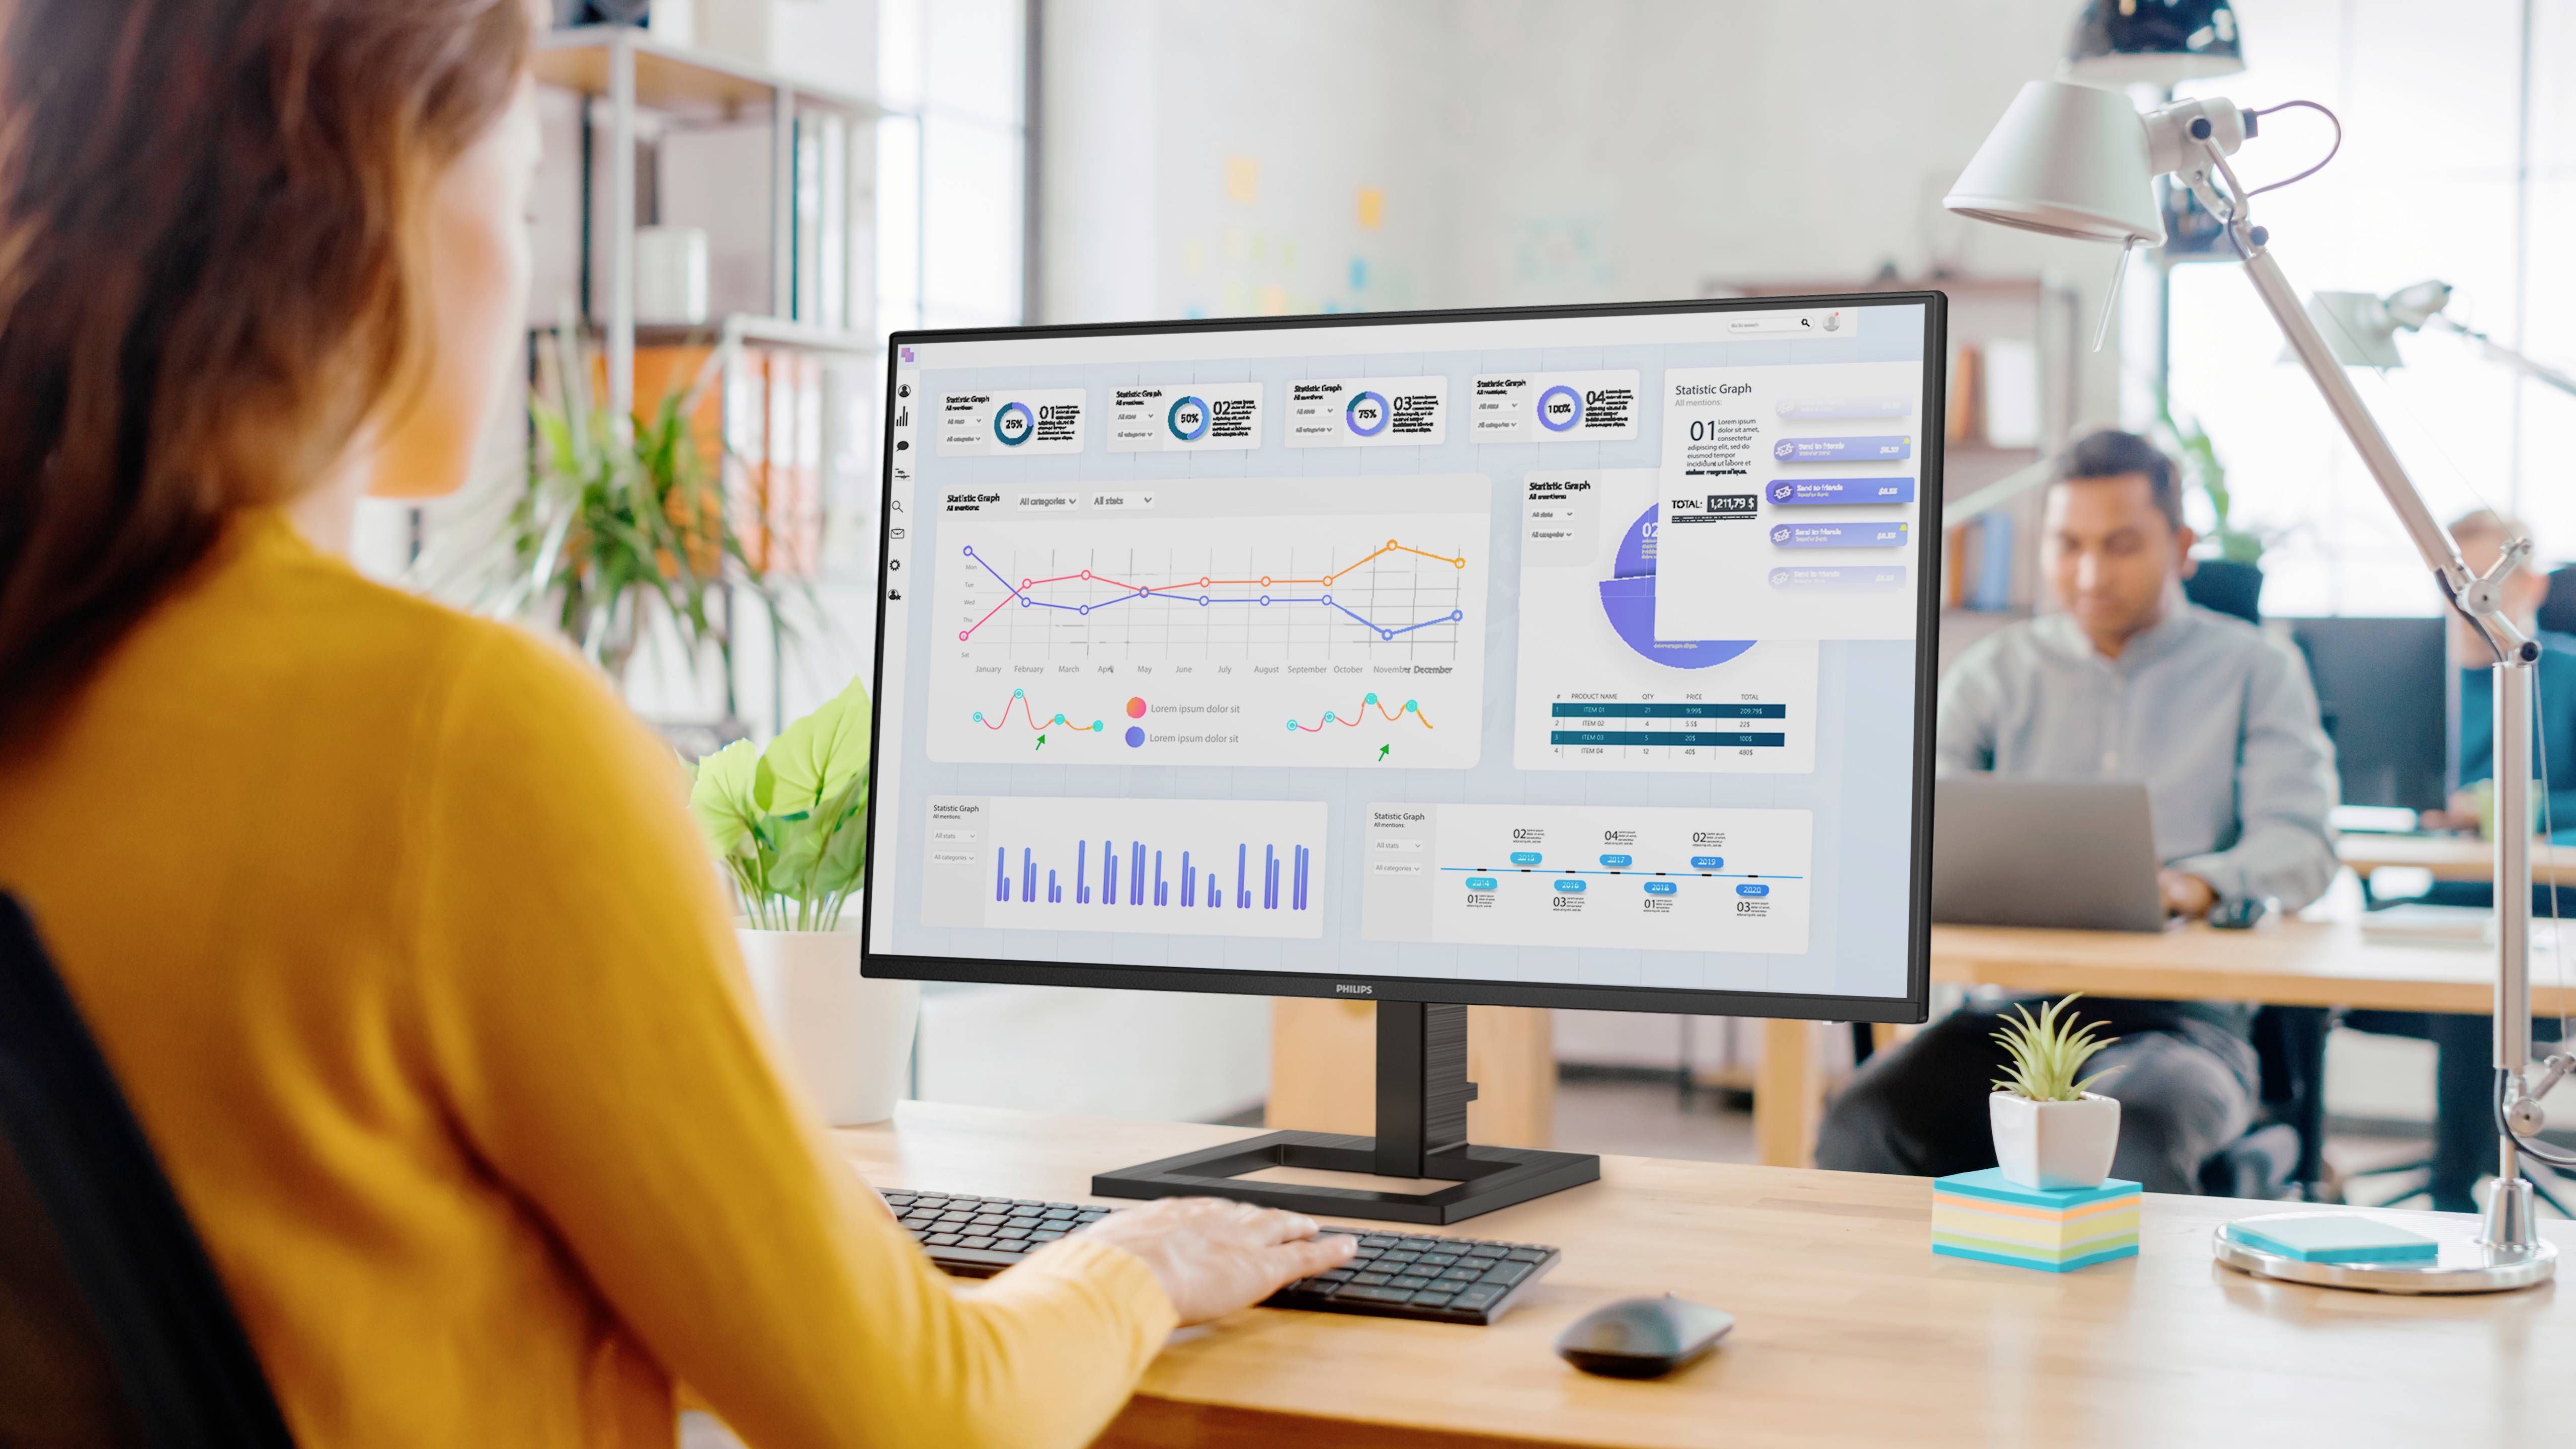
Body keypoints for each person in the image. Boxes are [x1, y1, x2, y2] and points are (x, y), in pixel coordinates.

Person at [0, 5, 1347, 1446]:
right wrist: (1125, 1266)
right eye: (520, 194)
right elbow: (919, 1422)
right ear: (387, 196)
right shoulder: (458, 743)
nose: (520, 270)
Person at [1817, 429, 2340, 1193]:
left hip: (2184, 1028)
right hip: (2011, 1015)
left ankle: (2100, 1321)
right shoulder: (1994, 674)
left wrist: (2195, 884)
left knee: (2127, 1136)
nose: (2090, 573)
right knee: (1865, 1123)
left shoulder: (2257, 670)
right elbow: (1912, 826)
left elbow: (2303, 842)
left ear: (2183, 546)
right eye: (2068, 545)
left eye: (2121, 545)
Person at [2343, 509, 2576, 1212]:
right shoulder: (2416, 679)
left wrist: (2516, 810)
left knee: (2486, 954)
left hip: (2546, 899)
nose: (2470, 604)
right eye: (2454, 587)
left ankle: (2462, 1173)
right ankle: (2456, 1172)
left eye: (2487, 585)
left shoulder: (2561, 676)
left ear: (2530, 583)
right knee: (2447, 941)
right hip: (2446, 891)